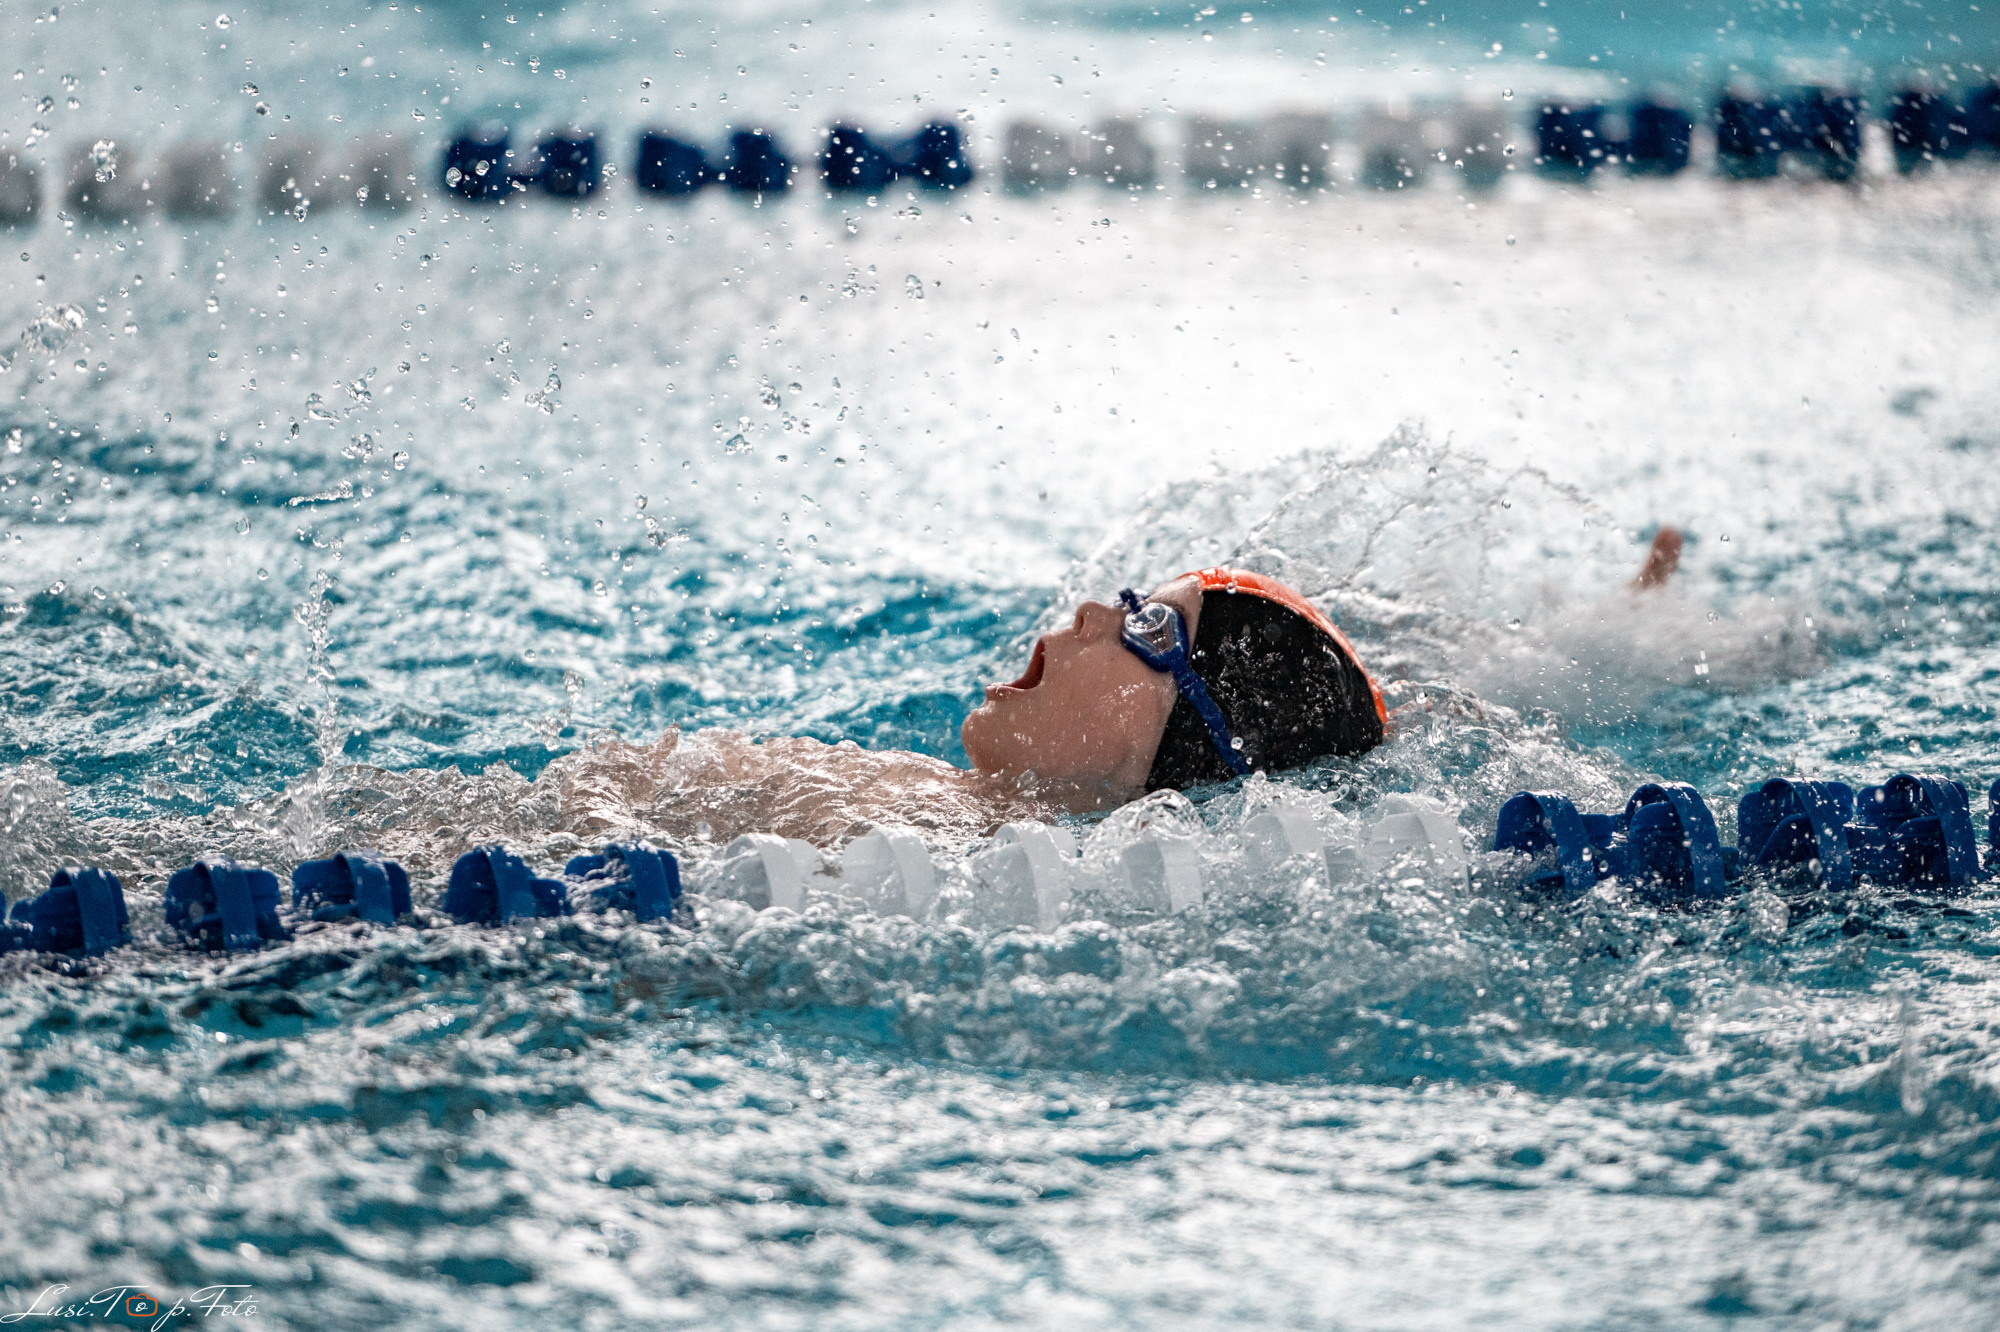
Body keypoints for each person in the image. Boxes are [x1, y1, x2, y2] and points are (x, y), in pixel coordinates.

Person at [540, 534, 1683, 847]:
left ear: (1179, 740)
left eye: (1146, 628)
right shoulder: (935, 807)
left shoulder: (934, 846)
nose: (1093, 612)